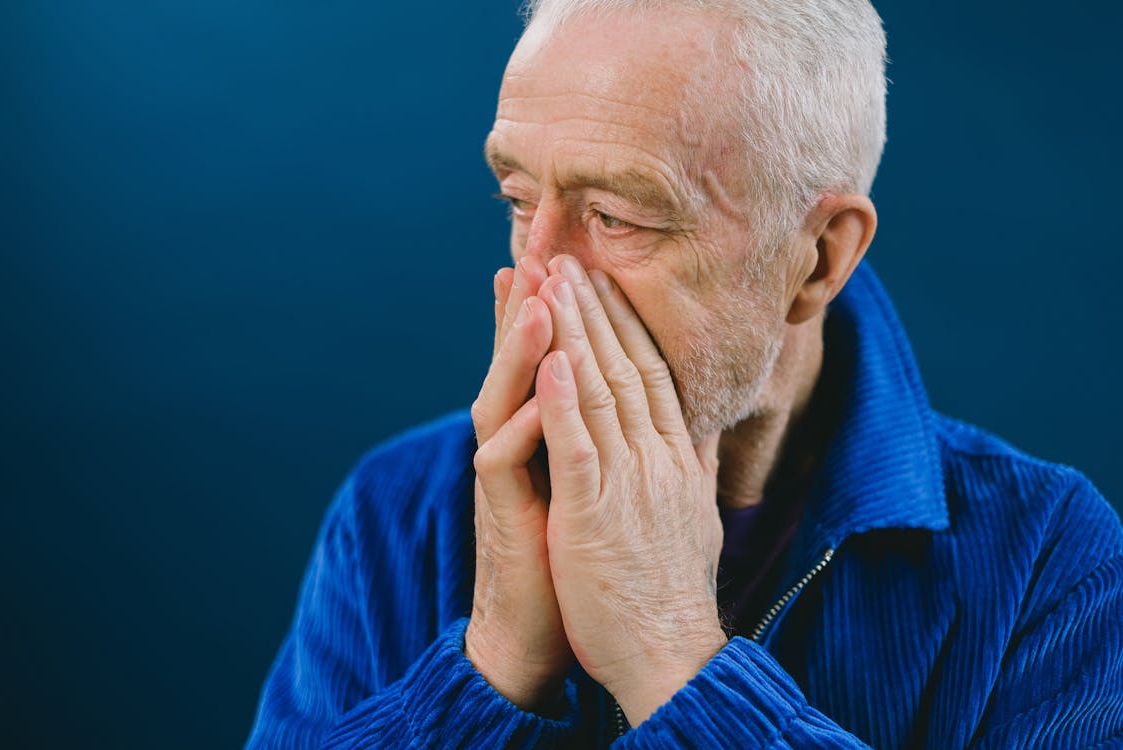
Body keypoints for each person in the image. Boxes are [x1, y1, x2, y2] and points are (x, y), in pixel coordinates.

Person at [246, 1, 1123, 747]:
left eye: (618, 217)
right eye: (517, 201)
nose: (540, 279)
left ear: (817, 258)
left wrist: (671, 658)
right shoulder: (397, 513)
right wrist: (493, 668)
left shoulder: (1051, 562)